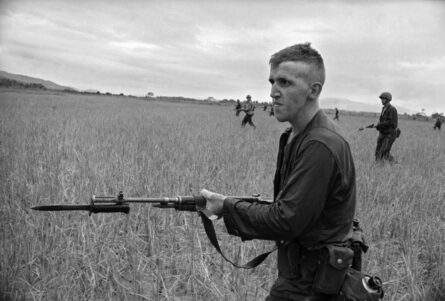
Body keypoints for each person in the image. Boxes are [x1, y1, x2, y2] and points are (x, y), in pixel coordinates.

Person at [201, 43, 356, 301]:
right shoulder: (296, 134)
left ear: (313, 90)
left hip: (312, 282)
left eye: (285, 82)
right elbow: (293, 209)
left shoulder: (320, 144)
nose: (274, 92)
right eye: (272, 81)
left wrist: (226, 206)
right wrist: (229, 204)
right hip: (303, 273)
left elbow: (287, 220)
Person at [374, 92, 398, 162]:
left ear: (387, 100)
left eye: (383, 99)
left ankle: (394, 164)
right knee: (378, 152)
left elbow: (391, 122)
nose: (381, 100)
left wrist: (379, 125)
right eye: (381, 99)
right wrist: (377, 126)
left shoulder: (392, 109)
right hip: (382, 133)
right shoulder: (383, 109)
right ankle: (378, 166)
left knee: (383, 152)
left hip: (389, 134)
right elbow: (382, 121)